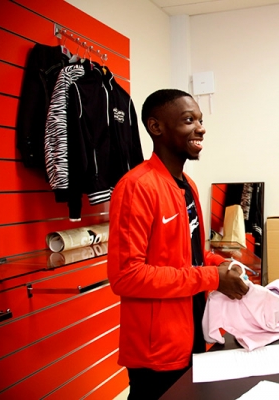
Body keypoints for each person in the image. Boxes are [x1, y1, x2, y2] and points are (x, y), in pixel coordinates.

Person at [107, 89, 249, 400]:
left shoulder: (188, 187)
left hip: (194, 330)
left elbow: (189, 256)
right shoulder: (136, 187)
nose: (200, 127)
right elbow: (126, 276)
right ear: (156, 127)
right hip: (157, 350)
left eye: (200, 119)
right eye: (188, 120)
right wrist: (212, 278)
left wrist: (220, 266)